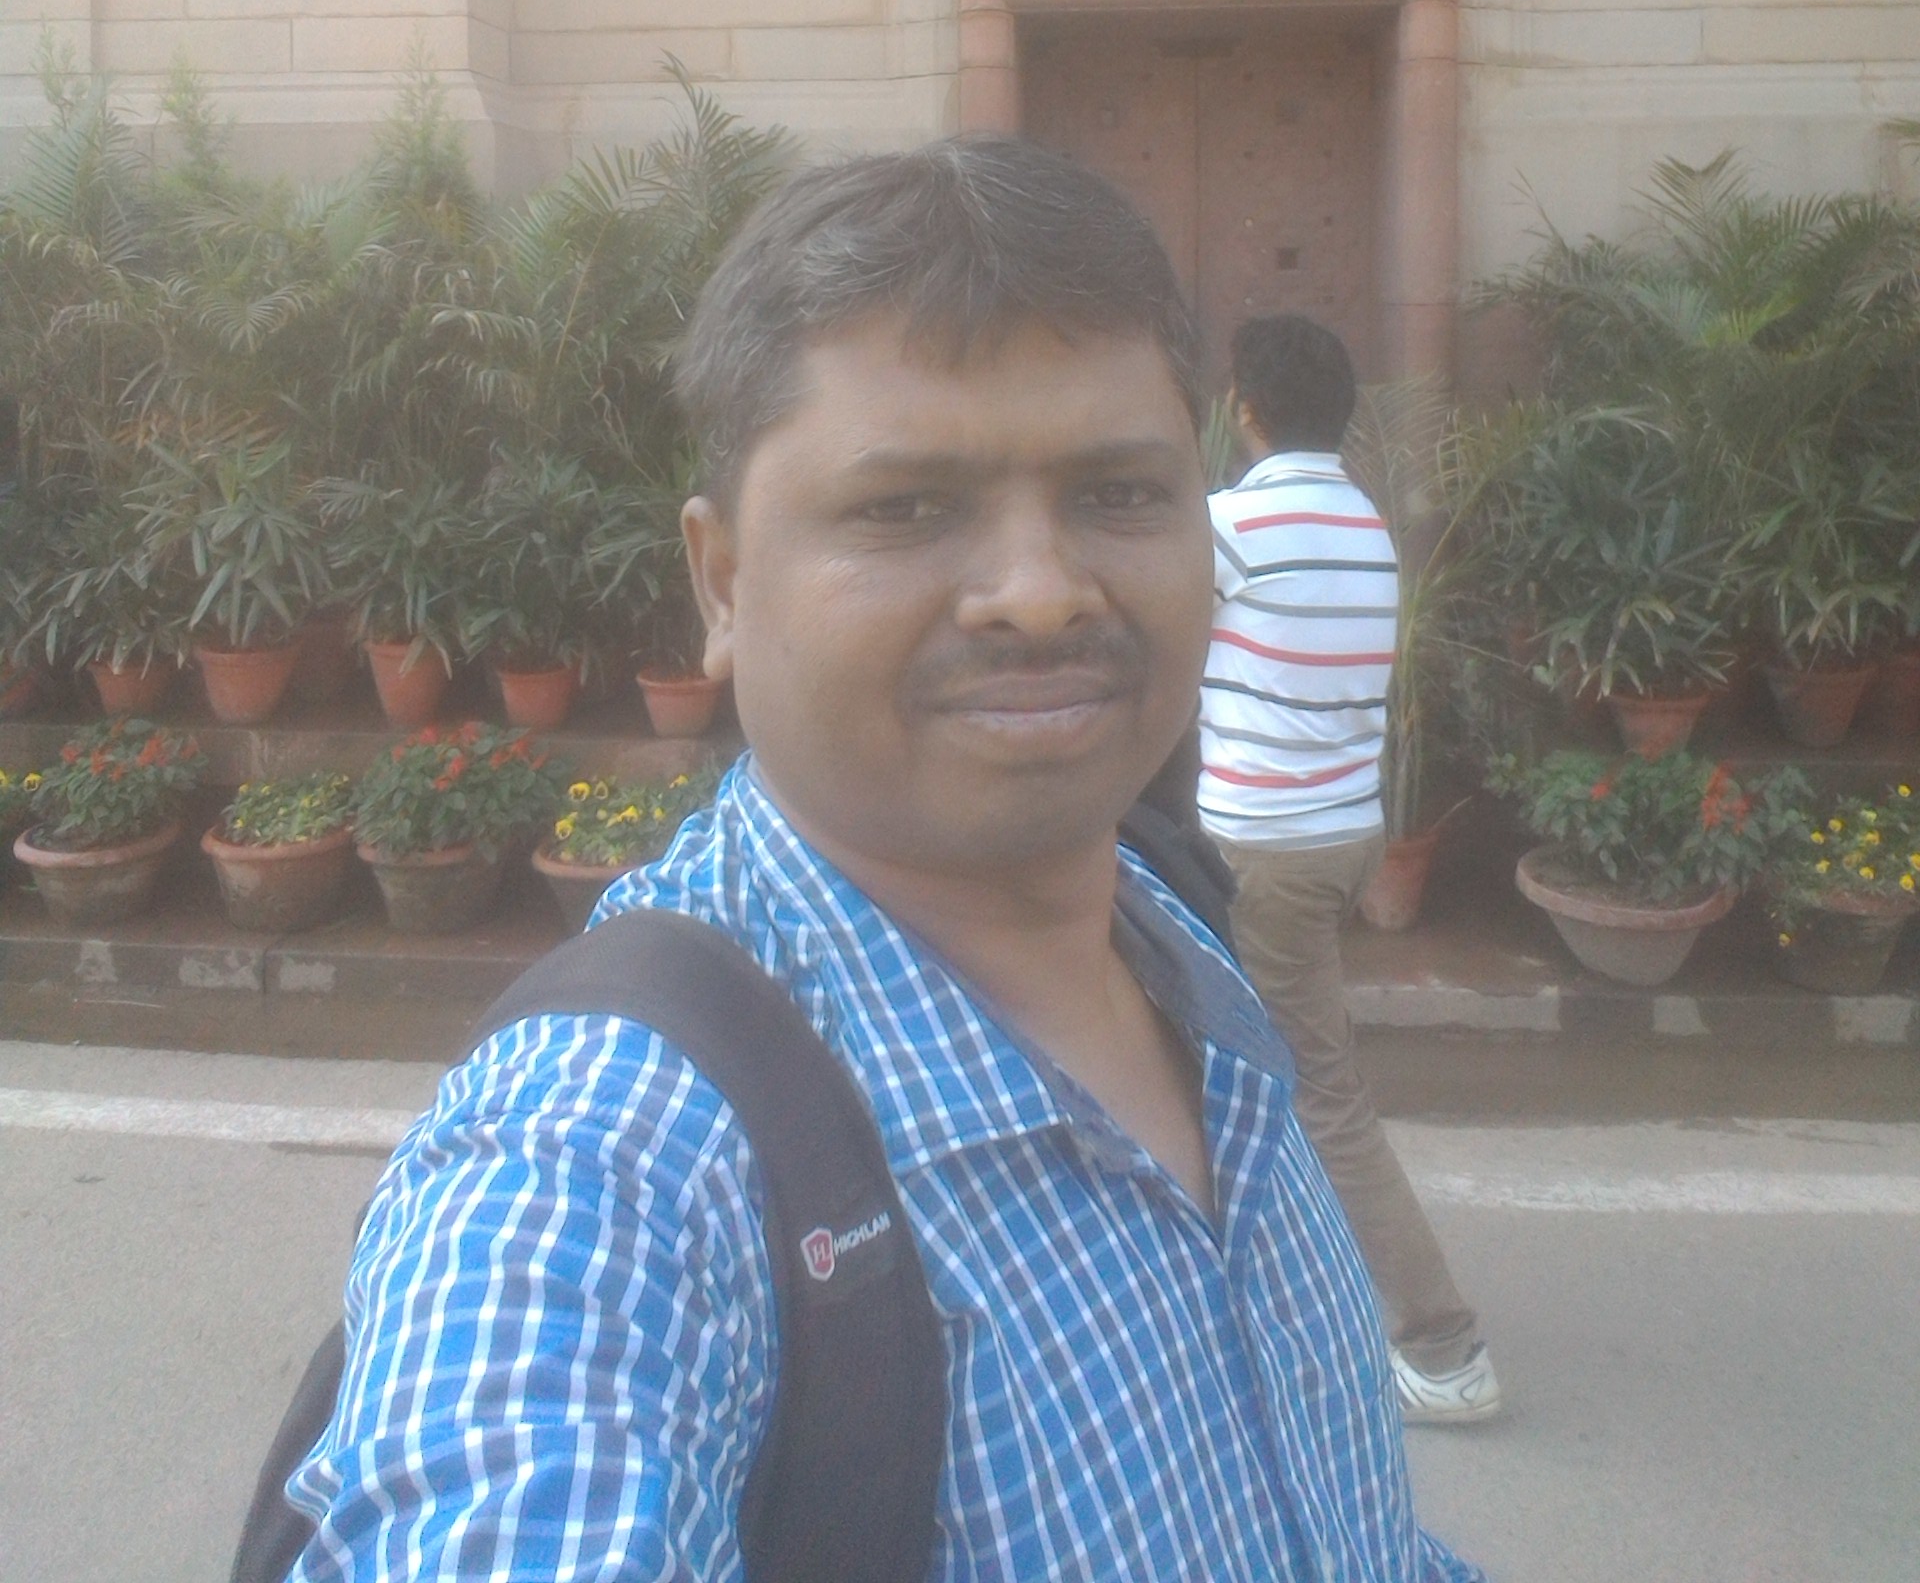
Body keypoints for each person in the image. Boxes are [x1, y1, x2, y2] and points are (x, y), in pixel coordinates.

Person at [285, 141, 1485, 1580]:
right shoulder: (613, 1166)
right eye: (905, 507)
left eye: (1119, 494)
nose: (1039, 595)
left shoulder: (1182, 932)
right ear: (723, 582)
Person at [1197, 312, 1499, 1426]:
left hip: (1262, 846)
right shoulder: (1366, 527)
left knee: (1321, 1092)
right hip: (1337, 834)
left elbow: (1155, 651)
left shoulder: (1230, 525)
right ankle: (1242, 1286)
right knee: (1219, 1058)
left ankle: (1444, 1347)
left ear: (1245, 410)